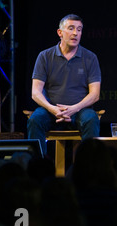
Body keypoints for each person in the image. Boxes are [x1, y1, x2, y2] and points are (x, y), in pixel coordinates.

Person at [27, 14, 102, 156]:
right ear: (60, 33)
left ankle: (89, 169)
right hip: (51, 110)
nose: (76, 33)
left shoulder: (90, 57)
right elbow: (35, 92)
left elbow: (95, 94)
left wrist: (73, 109)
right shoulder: (45, 56)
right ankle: (37, 169)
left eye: (79, 29)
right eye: (71, 28)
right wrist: (52, 108)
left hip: (80, 110)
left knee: (91, 119)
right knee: (35, 120)